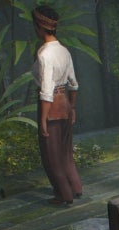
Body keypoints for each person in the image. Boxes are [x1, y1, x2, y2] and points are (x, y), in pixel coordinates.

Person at [31, 5, 83, 206]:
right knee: (66, 152)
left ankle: (64, 194)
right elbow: (74, 83)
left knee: (52, 155)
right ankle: (76, 187)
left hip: (51, 106)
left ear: (39, 26)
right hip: (65, 104)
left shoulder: (44, 54)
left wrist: (43, 119)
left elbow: (46, 89)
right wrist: (73, 107)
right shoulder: (64, 51)